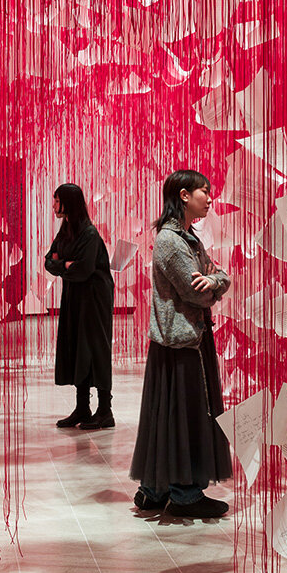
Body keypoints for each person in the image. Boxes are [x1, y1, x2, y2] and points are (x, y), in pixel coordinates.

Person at [130, 169, 233, 519]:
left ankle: (155, 489)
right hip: (182, 341)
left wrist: (215, 280)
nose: (210, 198)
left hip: (184, 340)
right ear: (185, 195)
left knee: (169, 415)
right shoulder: (173, 242)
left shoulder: (187, 238)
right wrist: (214, 284)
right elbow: (196, 293)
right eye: (206, 191)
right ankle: (185, 493)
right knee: (184, 416)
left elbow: (218, 274)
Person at [45, 183, 115, 430]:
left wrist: (61, 265)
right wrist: (66, 265)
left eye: (56, 201)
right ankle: (82, 407)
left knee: (95, 348)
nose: (53, 206)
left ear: (67, 203)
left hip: (94, 298)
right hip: (75, 295)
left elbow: (84, 269)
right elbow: (48, 261)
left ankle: (105, 411)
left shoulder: (89, 233)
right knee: (77, 347)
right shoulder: (67, 230)